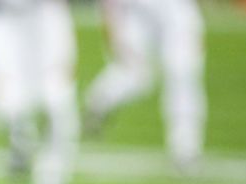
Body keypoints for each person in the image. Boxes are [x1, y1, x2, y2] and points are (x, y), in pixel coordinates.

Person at [0, 0, 79, 184]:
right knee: (6, 105)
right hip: (0, 16)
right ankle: (20, 143)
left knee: (57, 102)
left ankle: (51, 178)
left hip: (46, 13)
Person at [84, 0, 206, 172]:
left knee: (182, 72)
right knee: (135, 75)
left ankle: (185, 148)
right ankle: (101, 99)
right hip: (137, 11)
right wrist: (111, 22)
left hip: (176, 8)